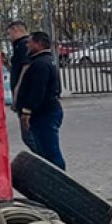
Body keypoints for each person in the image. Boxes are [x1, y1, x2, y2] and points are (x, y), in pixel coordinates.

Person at [15, 31, 65, 170]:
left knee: (50, 153)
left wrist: (26, 111)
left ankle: (60, 181)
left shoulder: (40, 64)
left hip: (44, 114)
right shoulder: (46, 61)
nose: (27, 45)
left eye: (30, 42)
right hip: (46, 112)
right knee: (44, 150)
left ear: (39, 44)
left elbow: (37, 91)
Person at [5, 20, 38, 152]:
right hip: (24, 97)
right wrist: (7, 64)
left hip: (24, 97)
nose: (9, 37)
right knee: (29, 136)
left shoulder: (23, 44)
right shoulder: (20, 46)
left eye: (9, 34)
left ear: (16, 30)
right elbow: (18, 70)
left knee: (29, 136)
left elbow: (26, 67)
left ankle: (45, 163)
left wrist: (17, 94)